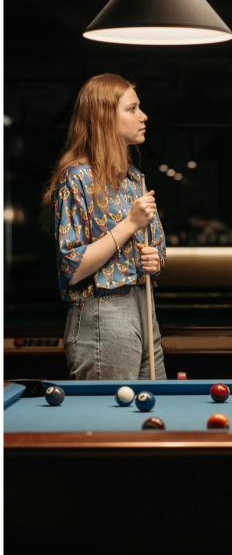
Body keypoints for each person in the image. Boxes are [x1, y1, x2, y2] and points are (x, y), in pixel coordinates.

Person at [42, 73, 167, 380]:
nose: (143, 116)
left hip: (144, 305)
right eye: (132, 109)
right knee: (112, 424)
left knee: (155, 415)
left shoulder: (135, 178)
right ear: (105, 117)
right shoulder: (77, 179)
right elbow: (72, 267)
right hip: (103, 313)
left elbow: (156, 247)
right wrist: (130, 224)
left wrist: (155, 261)